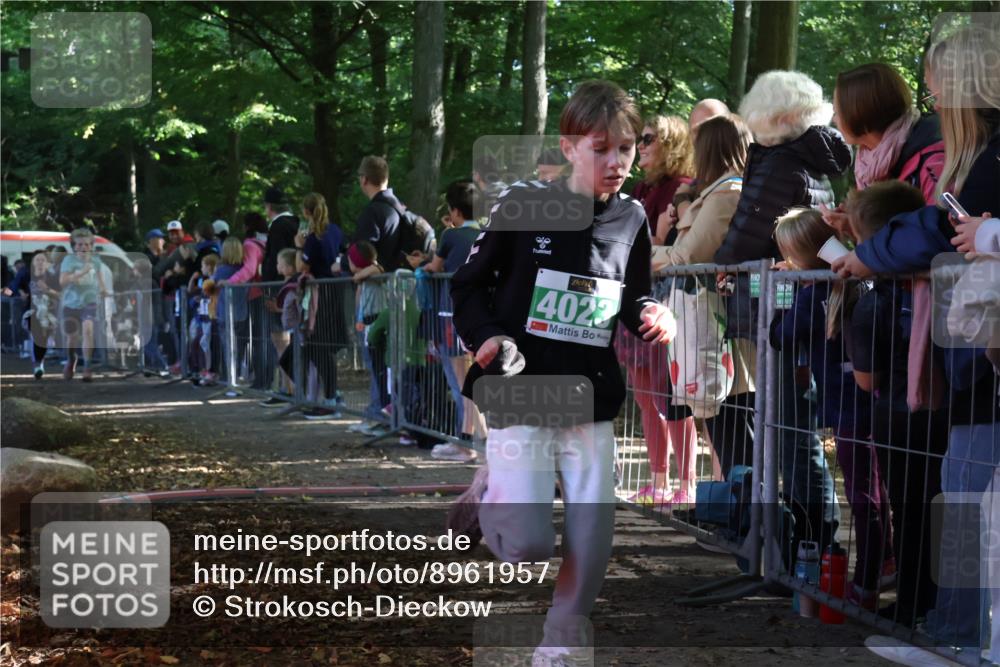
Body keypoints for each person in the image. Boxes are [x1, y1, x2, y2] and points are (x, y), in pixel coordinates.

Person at [447, 80, 677, 664]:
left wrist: (653, 313)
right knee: (527, 546)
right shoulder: (523, 204)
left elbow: (632, 293)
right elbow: (468, 285)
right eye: (601, 149)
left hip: (590, 393)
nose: (617, 162)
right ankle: (490, 496)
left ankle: (560, 642)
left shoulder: (632, 216)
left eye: (626, 148)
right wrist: (487, 336)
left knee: (591, 537)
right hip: (523, 388)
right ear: (570, 147)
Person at [833, 25, 999, 642]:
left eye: (936, 89)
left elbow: (934, 229)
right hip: (976, 356)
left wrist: (868, 255)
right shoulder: (975, 158)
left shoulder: (983, 160)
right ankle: (953, 630)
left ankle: (955, 636)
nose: (932, 102)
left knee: (964, 495)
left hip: (981, 360)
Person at [714, 69, 851, 569]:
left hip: (782, 309)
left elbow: (749, 227)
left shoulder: (780, 163)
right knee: (792, 429)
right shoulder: (811, 160)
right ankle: (805, 540)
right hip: (794, 305)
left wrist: (721, 267)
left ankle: (810, 542)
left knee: (791, 431)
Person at [771, 206, 888, 610]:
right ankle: (884, 562)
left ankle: (867, 583)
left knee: (864, 496)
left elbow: (779, 335)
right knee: (875, 491)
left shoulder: (812, 295)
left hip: (848, 407)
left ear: (797, 256)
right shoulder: (859, 281)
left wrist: (782, 292)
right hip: (871, 402)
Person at [652, 113, 754, 497]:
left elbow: (687, 257)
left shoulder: (727, 194)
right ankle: (737, 510)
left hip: (724, 328)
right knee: (724, 428)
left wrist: (640, 253)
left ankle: (745, 513)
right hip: (713, 325)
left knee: (734, 430)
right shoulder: (715, 193)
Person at [612, 114, 694, 505]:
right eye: (639, 139)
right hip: (634, 300)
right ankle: (658, 481)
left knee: (672, 397)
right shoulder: (640, 189)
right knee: (645, 395)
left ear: (671, 143)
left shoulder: (682, 188)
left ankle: (686, 485)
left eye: (648, 139)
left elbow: (668, 247)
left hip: (667, 302)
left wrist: (658, 237)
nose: (640, 146)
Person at [422, 180, 487, 461]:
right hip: (481, 315)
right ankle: (476, 439)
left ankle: (470, 443)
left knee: (463, 381)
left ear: (456, 212)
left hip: (452, 314)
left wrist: (425, 267)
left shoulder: (450, 236)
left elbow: (434, 267)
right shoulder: (486, 234)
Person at [293, 192, 347, 416]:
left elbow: (301, 267)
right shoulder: (335, 231)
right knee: (320, 347)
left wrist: (299, 246)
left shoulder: (314, 238)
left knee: (319, 346)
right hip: (335, 292)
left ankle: (331, 399)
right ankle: (333, 395)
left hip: (320, 296)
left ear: (306, 212)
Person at [347, 241, 390, 436]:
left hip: (376, 327)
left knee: (379, 373)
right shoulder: (365, 278)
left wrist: (359, 275)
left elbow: (377, 268)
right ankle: (374, 414)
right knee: (375, 372)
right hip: (367, 326)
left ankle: (381, 417)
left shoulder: (373, 275)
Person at [59, 228, 110, 382]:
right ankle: (71, 360)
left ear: (91, 246)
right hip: (71, 303)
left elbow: (100, 279)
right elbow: (62, 281)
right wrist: (82, 272)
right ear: (74, 246)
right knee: (72, 338)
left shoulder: (96, 260)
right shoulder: (68, 260)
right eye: (80, 244)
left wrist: (103, 290)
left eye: (87, 244)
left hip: (90, 301)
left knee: (88, 330)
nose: (83, 247)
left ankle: (87, 366)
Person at [355, 156, 406, 272]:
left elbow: (361, 254)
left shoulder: (372, 212)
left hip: (377, 279)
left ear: (364, 179)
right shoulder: (400, 207)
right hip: (400, 277)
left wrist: (342, 264)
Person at [25, 252, 59, 379]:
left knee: (43, 339)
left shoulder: (53, 277)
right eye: (37, 260)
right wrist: (18, 293)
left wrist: (48, 290)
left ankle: (39, 363)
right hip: (31, 312)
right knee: (37, 335)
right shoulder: (26, 275)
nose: (40, 262)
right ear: (33, 263)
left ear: (48, 263)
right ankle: (37, 365)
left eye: (43, 260)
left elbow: (61, 295)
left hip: (49, 313)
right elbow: (11, 287)